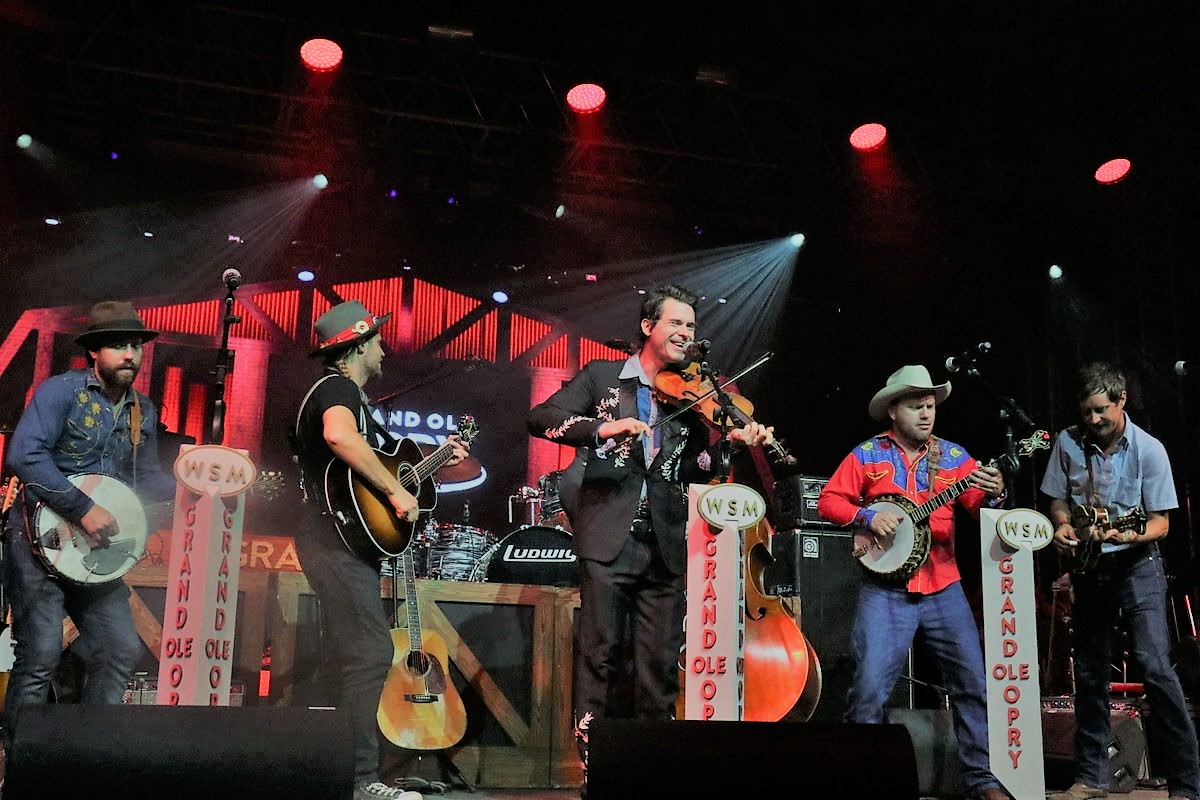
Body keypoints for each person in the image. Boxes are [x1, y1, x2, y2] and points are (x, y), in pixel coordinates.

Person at [526, 285, 772, 795]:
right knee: (600, 653)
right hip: (607, 535)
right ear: (648, 327)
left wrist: (733, 443)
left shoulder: (697, 391)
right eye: (676, 324)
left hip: (664, 540)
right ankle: (597, 769)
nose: (686, 334)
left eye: (691, 327)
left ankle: (649, 771)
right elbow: (542, 418)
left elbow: (697, 468)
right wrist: (602, 429)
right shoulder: (602, 376)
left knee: (658, 662)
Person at [290, 300, 470, 800]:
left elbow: (391, 465)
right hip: (333, 541)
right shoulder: (337, 389)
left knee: (352, 654)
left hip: (341, 542)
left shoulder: (352, 398)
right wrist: (394, 493)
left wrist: (433, 464)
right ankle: (360, 780)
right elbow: (338, 437)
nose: (385, 349)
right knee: (371, 651)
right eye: (379, 342)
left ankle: (333, 771)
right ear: (358, 347)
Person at [816, 364, 1010, 800]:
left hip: (944, 585)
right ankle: (859, 778)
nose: (926, 414)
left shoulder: (956, 459)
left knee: (972, 685)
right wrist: (867, 515)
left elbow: (982, 508)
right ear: (892, 411)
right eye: (915, 406)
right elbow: (829, 500)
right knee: (868, 688)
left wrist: (995, 490)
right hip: (885, 591)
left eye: (930, 406)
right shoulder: (868, 455)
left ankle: (981, 780)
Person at [3, 300, 176, 739]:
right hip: (36, 539)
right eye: (119, 345)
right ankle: (19, 766)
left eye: (136, 346)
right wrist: (83, 508)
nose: (130, 355)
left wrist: (194, 486)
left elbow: (147, 478)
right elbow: (24, 455)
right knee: (40, 654)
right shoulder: (60, 392)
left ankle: (85, 753)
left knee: (119, 648)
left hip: (92, 553)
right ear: (94, 352)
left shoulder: (144, 411)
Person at [1041, 362, 1199, 800]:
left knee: (1153, 665)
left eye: (1100, 410)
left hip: (1137, 563)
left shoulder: (1149, 450)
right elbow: (1056, 498)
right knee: (1090, 673)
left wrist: (1125, 533)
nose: (1092, 420)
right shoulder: (1068, 442)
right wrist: (1060, 525)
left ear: (1121, 400)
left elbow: (1161, 525)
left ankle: (1187, 784)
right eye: (1086, 411)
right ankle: (1091, 778)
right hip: (1090, 566)